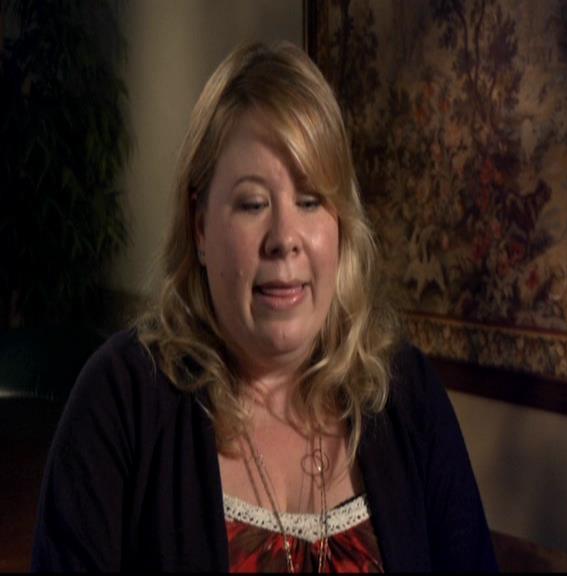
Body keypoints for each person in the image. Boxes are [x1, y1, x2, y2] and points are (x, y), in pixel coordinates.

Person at [31, 42, 497, 572]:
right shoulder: (120, 399)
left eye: (310, 200)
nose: (284, 239)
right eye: (253, 204)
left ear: (340, 225)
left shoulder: (406, 393)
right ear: (200, 227)